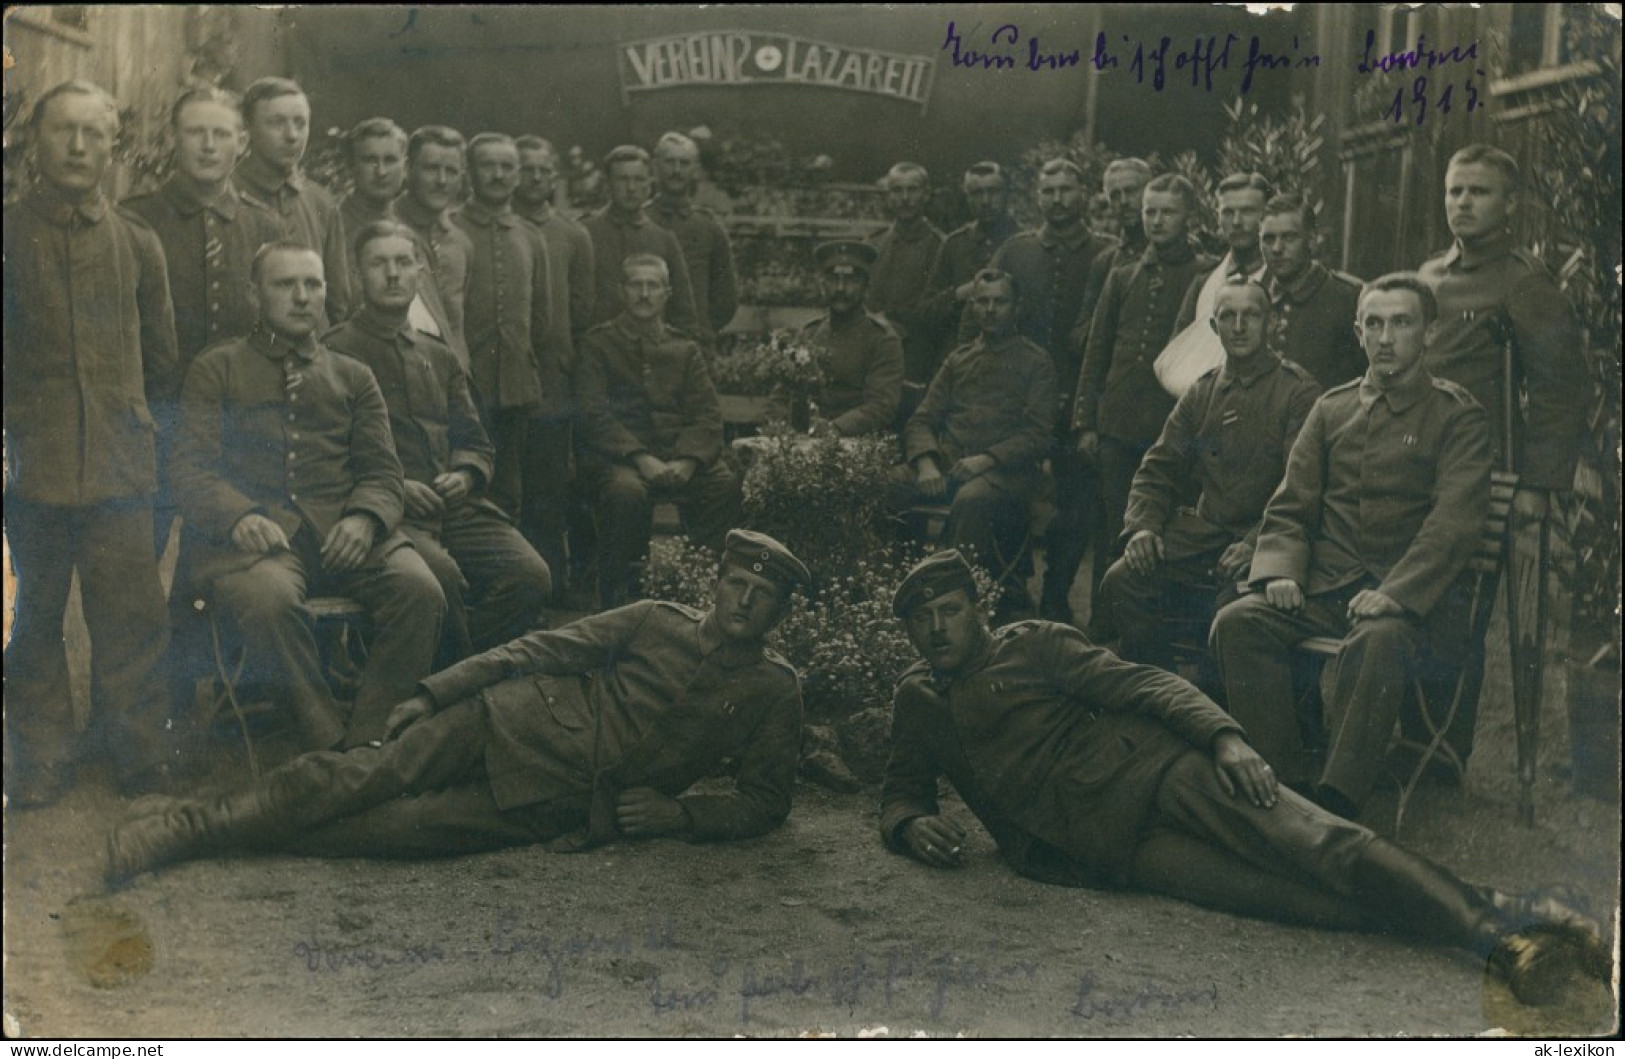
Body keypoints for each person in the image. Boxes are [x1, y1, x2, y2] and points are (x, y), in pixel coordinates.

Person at [879, 549, 1608, 1010]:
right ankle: (1523, 911)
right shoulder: (918, 700)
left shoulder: (1033, 643)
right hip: (1106, 850)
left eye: (950, 611)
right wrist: (911, 824)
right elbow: (902, 788)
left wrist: (1223, 738)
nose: (938, 629)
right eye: (923, 621)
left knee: (1319, 844)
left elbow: (1141, 684)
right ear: (909, 634)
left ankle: (1501, 934)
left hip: (1162, 773)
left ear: (979, 609)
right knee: (1297, 899)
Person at [105, 530, 808, 882]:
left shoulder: (774, 689)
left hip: (554, 800)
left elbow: (765, 799)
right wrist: (434, 692)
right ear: (715, 582)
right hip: (505, 717)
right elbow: (534, 650)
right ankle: (186, 829)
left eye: (762, 594)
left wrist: (681, 812)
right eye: (736, 583)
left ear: (778, 610)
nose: (744, 601)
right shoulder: (657, 619)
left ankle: (209, 822)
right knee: (359, 775)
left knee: (381, 833)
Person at [1208, 274, 1491, 817]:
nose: (1386, 338)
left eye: (1402, 323)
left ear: (1428, 333)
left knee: (1377, 641)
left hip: (1414, 605)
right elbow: (1291, 505)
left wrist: (1397, 594)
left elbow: (1453, 524)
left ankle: (1337, 804)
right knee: (1239, 622)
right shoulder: (1332, 409)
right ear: (1358, 332)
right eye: (1375, 324)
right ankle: (1282, 788)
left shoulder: (1457, 416)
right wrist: (1283, 571)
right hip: (1327, 590)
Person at [170, 241, 446, 751]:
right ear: (254, 294)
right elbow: (189, 468)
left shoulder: (352, 376)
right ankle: (325, 740)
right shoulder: (218, 367)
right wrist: (238, 516)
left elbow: (384, 472)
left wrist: (364, 519)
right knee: (270, 601)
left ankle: (371, 741)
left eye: (312, 285)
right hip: (256, 544)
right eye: (285, 284)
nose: (302, 297)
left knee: (419, 589)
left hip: (346, 537)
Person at [4, 80, 182, 804]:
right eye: (62, 132)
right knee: (32, 615)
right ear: (35, 144)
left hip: (118, 461)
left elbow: (164, 359)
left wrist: (148, 444)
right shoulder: (7, 236)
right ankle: (43, 754)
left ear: (116, 148)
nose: (78, 146)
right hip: (29, 463)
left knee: (131, 614)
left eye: (93, 133)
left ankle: (137, 749)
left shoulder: (138, 241)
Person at [1416, 144, 1592, 768]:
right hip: (1413, 467)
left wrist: (1536, 485)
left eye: (1479, 192)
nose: (1462, 202)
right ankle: (1403, 735)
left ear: (1510, 204)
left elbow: (1559, 389)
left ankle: (1440, 753)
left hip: (1479, 477)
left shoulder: (1525, 283)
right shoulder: (1429, 277)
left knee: (1457, 614)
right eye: (1455, 190)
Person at [325, 221, 552, 666]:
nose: (392, 274)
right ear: (356, 275)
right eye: (378, 263)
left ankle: (458, 669)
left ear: (420, 272)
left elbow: (474, 440)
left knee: (530, 576)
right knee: (440, 575)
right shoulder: (335, 352)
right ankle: (454, 687)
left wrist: (466, 474)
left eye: (403, 262)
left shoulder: (438, 355)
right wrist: (398, 486)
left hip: (452, 509)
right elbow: (325, 450)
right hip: (388, 514)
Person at [1097, 278, 1320, 678]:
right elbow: (1157, 468)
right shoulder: (1202, 392)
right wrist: (1142, 529)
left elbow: (1301, 488)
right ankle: (1161, 693)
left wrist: (1256, 544)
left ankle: (1221, 711)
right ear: (1214, 328)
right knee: (1123, 582)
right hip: (1203, 537)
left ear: (1270, 323)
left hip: (1264, 538)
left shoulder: (1297, 392)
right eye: (1228, 317)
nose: (1239, 326)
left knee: (1231, 617)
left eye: (1251, 315)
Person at [123, 85, 282, 552]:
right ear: (173, 138)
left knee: (220, 556)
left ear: (242, 144)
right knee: (139, 556)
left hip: (234, 421)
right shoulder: (135, 219)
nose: (208, 145)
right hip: (156, 413)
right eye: (195, 132)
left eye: (221, 133)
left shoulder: (265, 226)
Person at [1072, 174, 1216, 629]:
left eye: (1167, 212)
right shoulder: (1122, 275)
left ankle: (1157, 632)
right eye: (1149, 211)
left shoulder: (1207, 275)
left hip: (1173, 427)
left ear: (1189, 217)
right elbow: (1097, 351)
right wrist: (1087, 422)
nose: (1156, 221)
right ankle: (1104, 627)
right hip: (1118, 423)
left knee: (1163, 531)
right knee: (1114, 525)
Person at [575, 254, 743, 609]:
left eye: (653, 286)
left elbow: (708, 414)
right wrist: (639, 456)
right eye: (636, 285)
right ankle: (620, 594)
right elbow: (594, 414)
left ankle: (701, 583)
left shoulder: (684, 348)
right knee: (626, 492)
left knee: (723, 484)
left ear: (667, 293)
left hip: (678, 457)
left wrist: (689, 460)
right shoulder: (599, 344)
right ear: (622, 291)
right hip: (618, 459)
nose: (644, 294)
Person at [990, 158, 1113, 626]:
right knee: (1008, 494)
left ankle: (1058, 593)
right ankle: (1010, 590)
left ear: (1083, 194)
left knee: (1075, 504)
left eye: (1066, 189)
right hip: (1019, 402)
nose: (1057, 199)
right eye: (1049, 190)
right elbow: (983, 316)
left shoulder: (1107, 252)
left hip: (1078, 401)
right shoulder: (1015, 251)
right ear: (1037, 196)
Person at [893, 269, 1054, 619]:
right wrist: (925, 462)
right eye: (982, 301)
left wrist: (988, 459)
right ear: (972, 307)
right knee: (884, 485)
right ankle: (892, 588)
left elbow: (1040, 434)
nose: (990, 309)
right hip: (949, 467)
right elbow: (922, 419)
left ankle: (952, 605)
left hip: (1005, 475)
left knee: (972, 501)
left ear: (1017, 307)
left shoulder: (1035, 361)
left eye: (1000, 301)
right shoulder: (958, 359)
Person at [451, 132, 555, 519]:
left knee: (508, 492)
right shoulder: (451, 229)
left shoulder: (530, 236)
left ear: (517, 175)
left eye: (507, 166)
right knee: (462, 486)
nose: (498, 174)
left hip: (514, 388)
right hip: (462, 386)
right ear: (469, 173)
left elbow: (541, 320)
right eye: (487, 166)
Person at [514, 134, 597, 587]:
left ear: (555, 177)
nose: (536, 178)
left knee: (548, 488)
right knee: (507, 487)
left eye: (544, 170)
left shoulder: (572, 234)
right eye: (527, 169)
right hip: (504, 379)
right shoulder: (498, 229)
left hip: (552, 382)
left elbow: (584, 310)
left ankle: (551, 579)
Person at [233, 77, 350, 324]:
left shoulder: (321, 203)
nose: (292, 135)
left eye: (300, 123)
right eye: (276, 123)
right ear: (248, 129)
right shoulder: (224, 194)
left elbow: (337, 303)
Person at [337, 117, 457, 350]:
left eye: (390, 160)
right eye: (370, 160)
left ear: (405, 167)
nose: (381, 172)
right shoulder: (334, 228)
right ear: (351, 167)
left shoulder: (410, 230)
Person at [769, 240, 903, 437]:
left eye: (851, 280)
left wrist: (836, 428)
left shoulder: (882, 339)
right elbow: (781, 395)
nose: (840, 288)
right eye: (833, 279)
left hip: (857, 442)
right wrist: (780, 428)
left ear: (866, 286)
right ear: (823, 284)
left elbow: (881, 406)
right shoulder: (809, 334)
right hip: (804, 440)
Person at [582, 145, 699, 332]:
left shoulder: (664, 240)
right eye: (622, 179)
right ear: (608, 184)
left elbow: (683, 311)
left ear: (649, 185)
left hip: (652, 352)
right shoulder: (584, 233)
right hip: (596, 353)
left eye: (639, 180)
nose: (631, 188)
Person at [1258, 192, 1365, 388]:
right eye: (1268, 239)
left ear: (1312, 241)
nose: (1276, 248)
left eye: (1289, 237)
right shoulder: (1254, 296)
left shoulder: (1349, 297)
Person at [866, 161, 946, 419]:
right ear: (888, 196)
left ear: (926, 194)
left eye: (912, 190)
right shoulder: (873, 244)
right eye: (897, 190)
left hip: (918, 363)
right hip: (874, 363)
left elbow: (939, 310)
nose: (905, 198)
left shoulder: (941, 247)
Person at [649, 131, 740, 349]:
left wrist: (702, 327)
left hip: (695, 345)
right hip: (645, 343)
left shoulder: (708, 227)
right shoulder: (641, 220)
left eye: (684, 163)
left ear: (695, 170)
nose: (677, 171)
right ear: (656, 167)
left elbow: (726, 297)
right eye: (670, 162)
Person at [920, 161, 1020, 358]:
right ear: (967, 197)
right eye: (977, 193)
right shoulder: (954, 244)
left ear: (1008, 194)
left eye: (993, 192)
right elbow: (926, 312)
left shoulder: (1023, 243)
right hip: (961, 358)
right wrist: (960, 294)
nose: (985, 201)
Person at [395, 125, 475, 367]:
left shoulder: (460, 242)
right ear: (408, 169)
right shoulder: (384, 231)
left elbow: (457, 325)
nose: (441, 181)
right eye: (431, 169)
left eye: (451, 171)